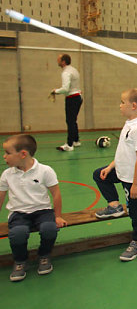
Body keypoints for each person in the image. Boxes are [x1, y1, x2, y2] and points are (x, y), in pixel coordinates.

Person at [93, 88, 137, 261]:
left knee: (136, 210)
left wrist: (135, 184)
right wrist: (111, 166)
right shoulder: (129, 123)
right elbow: (124, 151)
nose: (119, 105)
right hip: (121, 171)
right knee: (99, 175)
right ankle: (114, 206)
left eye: (122, 102)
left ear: (133, 106)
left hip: (133, 179)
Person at [0, 134, 67, 282]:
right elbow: (1, 196)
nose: (5, 157)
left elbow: (56, 194)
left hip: (43, 211)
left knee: (49, 229)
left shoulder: (45, 171)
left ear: (23, 154)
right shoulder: (7, 174)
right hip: (19, 213)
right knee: (18, 233)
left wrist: (57, 216)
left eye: (8, 153)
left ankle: (44, 256)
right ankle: (20, 261)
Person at [52, 53, 82, 152]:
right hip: (78, 97)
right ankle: (76, 140)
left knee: (70, 121)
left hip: (72, 98)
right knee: (73, 120)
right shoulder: (74, 70)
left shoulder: (66, 72)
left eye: (59, 59)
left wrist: (55, 91)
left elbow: (65, 88)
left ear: (63, 62)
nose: (57, 61)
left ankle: (69, 144)